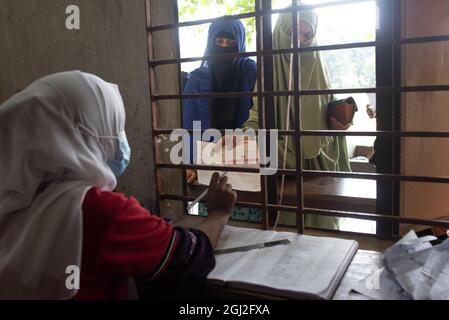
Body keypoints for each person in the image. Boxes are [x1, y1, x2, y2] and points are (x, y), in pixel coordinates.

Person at [0, 71, 237, 300]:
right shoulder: (97, 209)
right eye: (114, 128)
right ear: (88, 133)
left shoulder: (11, 198)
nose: (120, 140)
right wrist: (218, 213)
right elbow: (188, 256)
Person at [243, 8, 352, 230]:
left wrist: (339, 123)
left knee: (324, 232)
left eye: (307, 35)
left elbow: (327, 104)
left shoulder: (318, 63)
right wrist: (247, 138)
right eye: (294, 33)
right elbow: (257, 115)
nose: (300, 41)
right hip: (286, 164)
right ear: (281, 33)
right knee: (288, 228)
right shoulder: (269, 70)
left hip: (319, 165)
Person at [182, 19, 260, 222]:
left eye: (231, 43)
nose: (225, 47)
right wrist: (190, 164)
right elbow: (190, 126)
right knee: (212, 230)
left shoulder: (252, 74)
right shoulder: (197, 80)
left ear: (240, 43)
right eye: (220, 41)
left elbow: (261, 116)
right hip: (209, 162)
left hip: (246, 162)